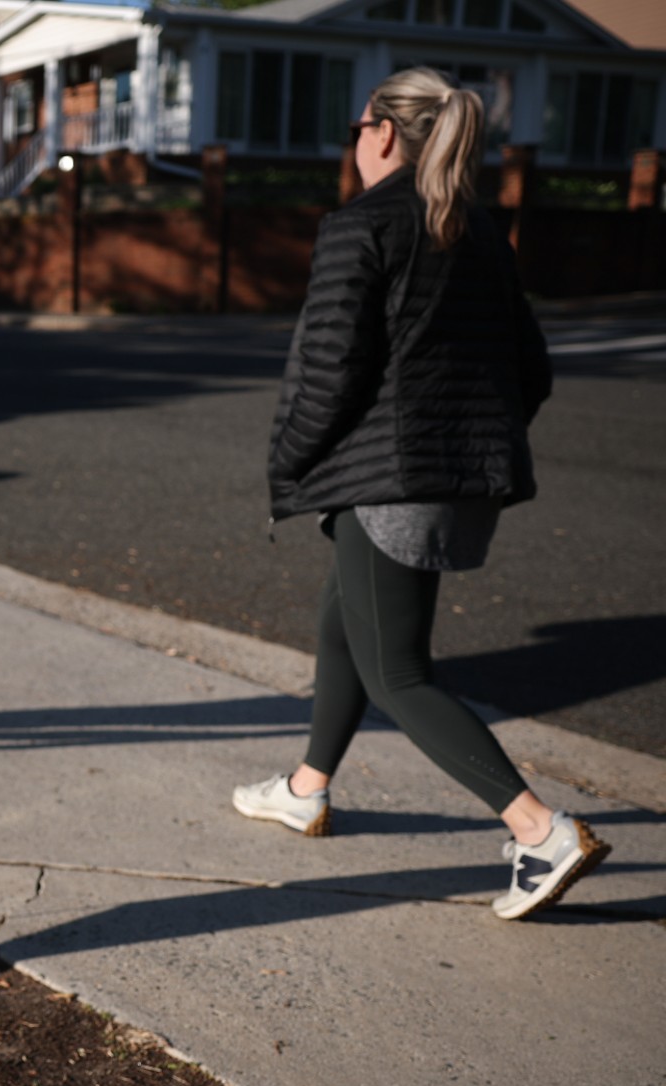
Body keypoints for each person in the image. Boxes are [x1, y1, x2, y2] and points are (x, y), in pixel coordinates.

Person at [239, 68, 607, 921]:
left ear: (379, 133)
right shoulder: (477, 230)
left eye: (355, 127)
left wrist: (288, 463)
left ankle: (539, 830)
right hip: (455, 477)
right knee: (346, 618)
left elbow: (329, 374)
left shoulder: (361, 226)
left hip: (386, 481)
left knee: (398, 671)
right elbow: (533, 371)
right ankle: (305, 787)